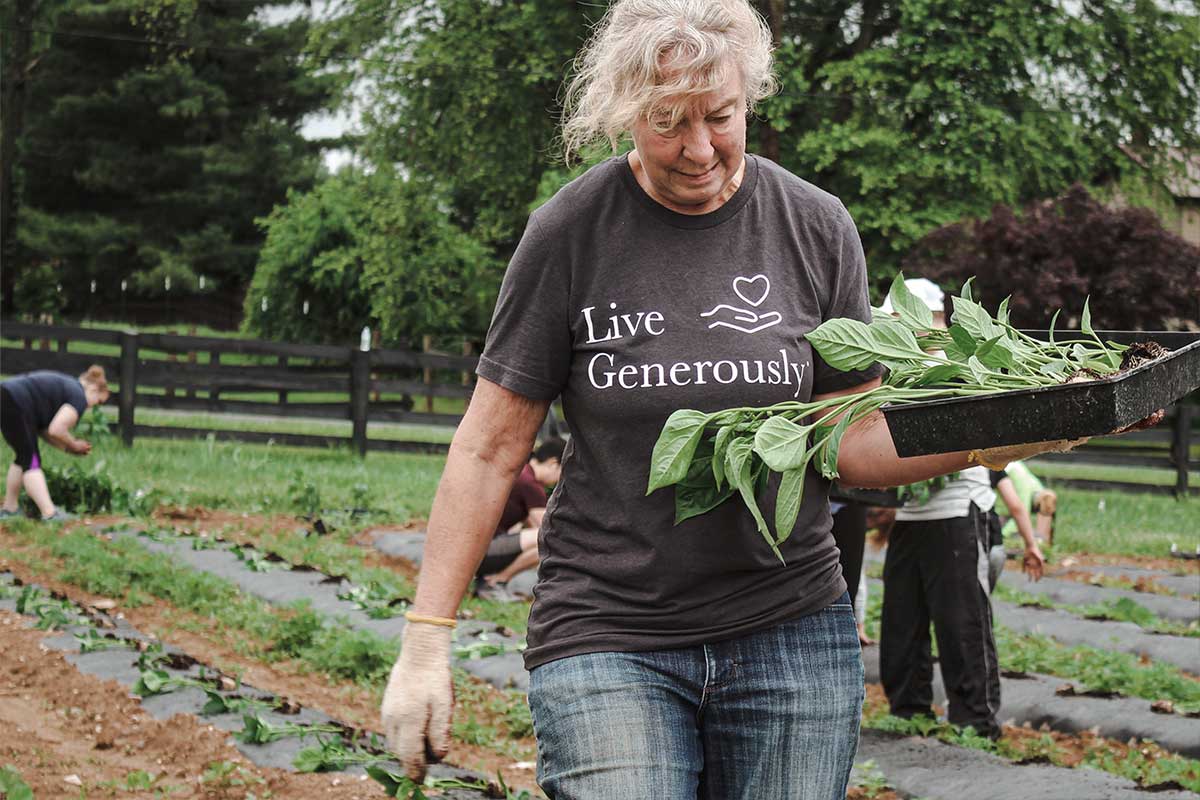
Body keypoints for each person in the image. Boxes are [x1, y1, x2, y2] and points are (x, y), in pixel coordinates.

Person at [379, 3, 1090, 796]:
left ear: (748, 98)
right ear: (621, 116)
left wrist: (1019, 429)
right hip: (610, 626)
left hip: (789, 627)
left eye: (719, 117)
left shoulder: (815, 226)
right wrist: (425, 642)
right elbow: (488, 448)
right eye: (665, 122)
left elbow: (847, 440)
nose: (698, 148)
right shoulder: (570, 233)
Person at [0, 367, 110, 521]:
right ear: (93, 389)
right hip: (15, 401)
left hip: (7, 395)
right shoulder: (79, 396)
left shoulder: (68, 387)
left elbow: (46, 432)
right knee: (31, 462)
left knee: (24, 456)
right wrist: (74, 444)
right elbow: (57, 429)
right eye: (98, 402)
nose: (94, 407)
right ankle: (50, 514)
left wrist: (68, 448)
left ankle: (9, 509)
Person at [474, 437, 566, 599]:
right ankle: (497, 581)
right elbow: (549, 529)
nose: (560, 481)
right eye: (562, 473)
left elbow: (531, 525)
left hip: (474, 547)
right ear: (553, 463)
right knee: (552, 539)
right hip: (482, 550)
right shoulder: (530, 484)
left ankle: (488, 581)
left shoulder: (521, 474)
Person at [985, 466, 1046, 590]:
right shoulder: (993, 463)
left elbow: (1017, 508)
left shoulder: (1017, 475)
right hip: (991, 545)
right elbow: (1016, 508)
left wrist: (1004, 533)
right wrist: (1031, 545)